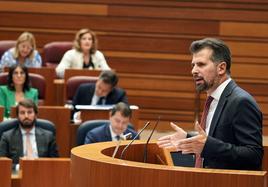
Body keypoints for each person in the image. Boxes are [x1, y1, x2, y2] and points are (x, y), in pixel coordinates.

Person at [157, 38, 263, 170]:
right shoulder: (213, 99)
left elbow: (253, 155)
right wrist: (189, 138)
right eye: (193, 65)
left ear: (221, 68)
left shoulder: (241, 102)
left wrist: (207, 146)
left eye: (201, 64)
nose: (194, 71)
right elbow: (215, 139)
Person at [0, 99, 59, 169]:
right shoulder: (7, 136)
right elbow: (2, 163)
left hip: (42, 173)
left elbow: (56, 162)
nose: (26, 116)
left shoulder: (48, 136)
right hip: (18, 175)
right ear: (17, 116)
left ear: (35, 115)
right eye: (22, 113)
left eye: (30, 112)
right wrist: (19, 166)